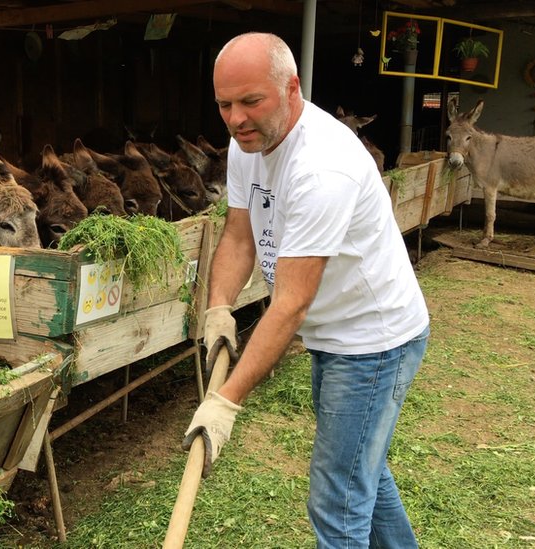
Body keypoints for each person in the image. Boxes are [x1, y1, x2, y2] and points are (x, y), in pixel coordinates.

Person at [181, 32, 430, 548]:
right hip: (332, 332)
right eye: (224, 104)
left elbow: (291, 302)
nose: (235, 118)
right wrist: (219, 309)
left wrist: (225, 402)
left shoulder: (322, 168)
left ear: (292, 88)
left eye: (251, 101)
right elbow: (237, 233)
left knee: (337, 500)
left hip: (371, 342)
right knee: (363, 469)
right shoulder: (247, 142)